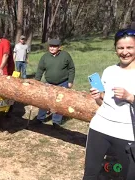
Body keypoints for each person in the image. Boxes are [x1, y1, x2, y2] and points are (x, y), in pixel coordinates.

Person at [83, 29, 135, 180]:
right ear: (115, 50)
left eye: (129, 47)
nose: (124, 52)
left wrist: (130, 97)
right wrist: (98, 96)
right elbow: (102, 103)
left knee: (127, 176)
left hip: (127, 133)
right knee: (90, 174)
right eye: (120, 48)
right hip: (99, 128)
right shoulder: (109, 71)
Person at [29, 39, 75, 128]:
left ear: (59, 47)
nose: (52, 48)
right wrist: (36, 81)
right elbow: (40, 69)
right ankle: (40, 118)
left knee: (59, 103)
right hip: (49, 83)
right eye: (51, 46)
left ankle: (56, 122)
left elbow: (71, 68)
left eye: (54, 47)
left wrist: (70, 81)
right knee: (44, 101)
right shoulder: (45, 57)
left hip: (63, 83)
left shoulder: (65, 55)